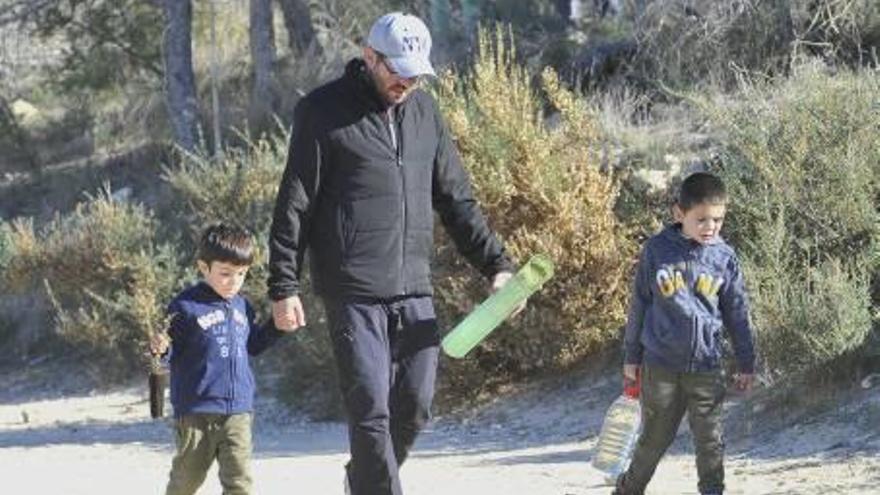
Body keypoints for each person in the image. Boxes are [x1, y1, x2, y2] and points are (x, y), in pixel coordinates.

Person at [267, 11, 518, 495]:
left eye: (414, 72)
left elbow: (456, 200)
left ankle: (361, 481)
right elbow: (294, 203)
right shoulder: (322, 112)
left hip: (413, 288)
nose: (405, 81)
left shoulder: (426, 114)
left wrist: (497, 266)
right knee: (370, 411)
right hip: (352, 289)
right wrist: (283, 285)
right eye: (396, 70)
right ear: (369, 57)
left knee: (416, 405)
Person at [613, 172, 756, 495]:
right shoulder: (656, 250)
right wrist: (631, 357)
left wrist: (746, 361)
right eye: (702, 219)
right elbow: (640, 304)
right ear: (679, 214)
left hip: (706, 366)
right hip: (660, 366)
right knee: (653, 440)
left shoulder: (724, 258)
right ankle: (627, 491)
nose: (711, 227)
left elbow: (737, 313)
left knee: (710, 440)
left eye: (718, 219)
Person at [151, 223, 291, 495]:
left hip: (238, 410)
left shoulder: (243, 306)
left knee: (239, 481)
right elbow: (166, 352)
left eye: (241, 273)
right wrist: (160, 348)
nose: (234, 281)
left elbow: (253, 346)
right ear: (204, 268)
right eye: (225, 273)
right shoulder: (184, 306)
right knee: (186, 480)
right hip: (195, 410)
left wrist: (277, 326)